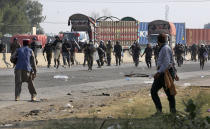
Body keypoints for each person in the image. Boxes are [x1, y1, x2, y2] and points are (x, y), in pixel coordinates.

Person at [151, 34, 177, 114]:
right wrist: (175, 73)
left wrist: (158, 73)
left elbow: (166, 63)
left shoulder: (165, 48)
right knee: (153, 91)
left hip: (165, 74)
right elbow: (172, 61)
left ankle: (173, 113)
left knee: (170, 95)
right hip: (163, 73)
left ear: (158, 41)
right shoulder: (165, 48)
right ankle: (159, 111)